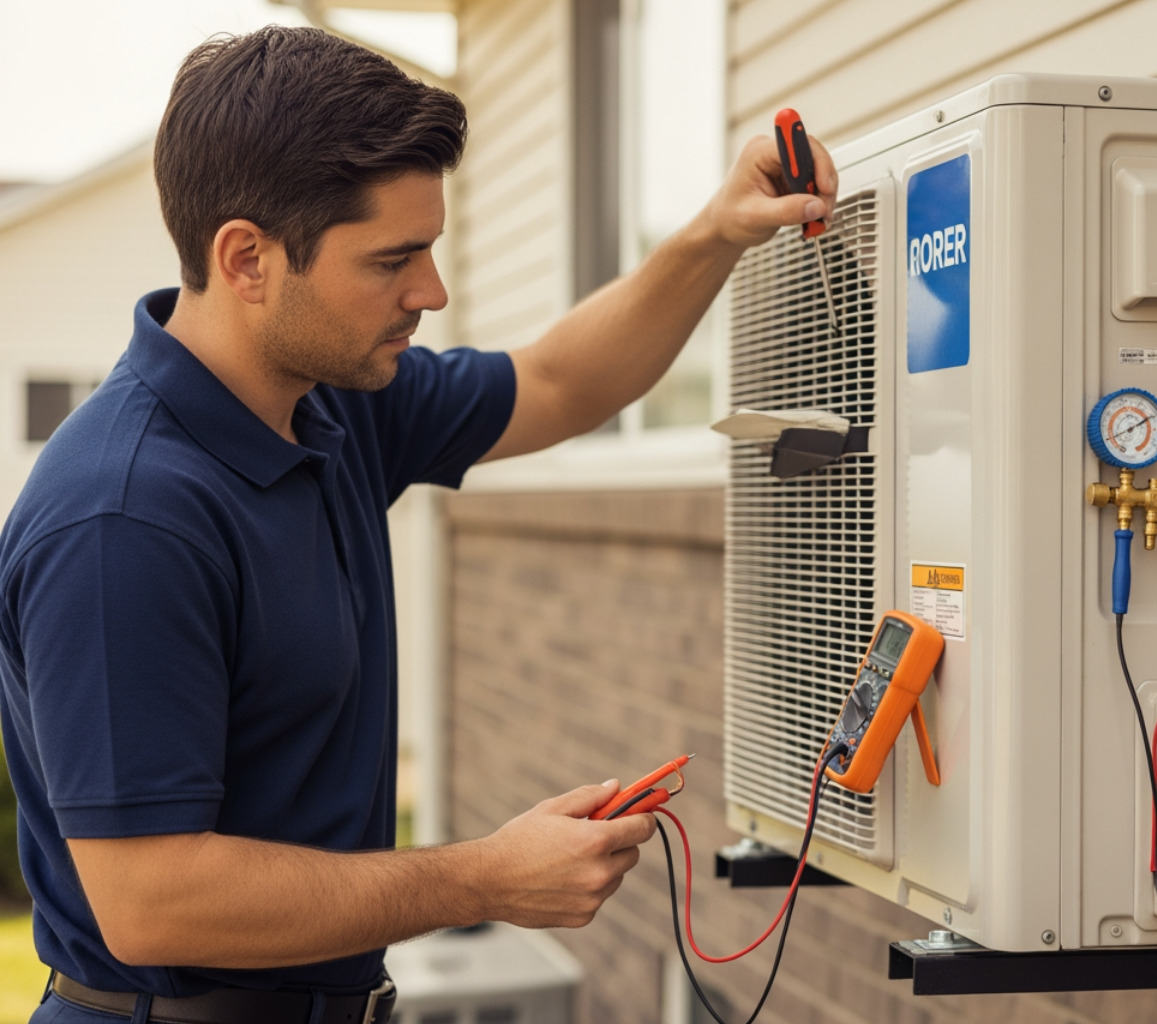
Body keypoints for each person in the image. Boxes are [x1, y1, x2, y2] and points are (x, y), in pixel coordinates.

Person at [0, 25, 837, 1024]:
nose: (430, 293)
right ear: (247, 258)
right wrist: (483, 878)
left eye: (430, 250)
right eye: (393, 260)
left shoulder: (332, 401)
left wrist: (718, 231)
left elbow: (562, 380)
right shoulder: (126, 520)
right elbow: (152, 902)